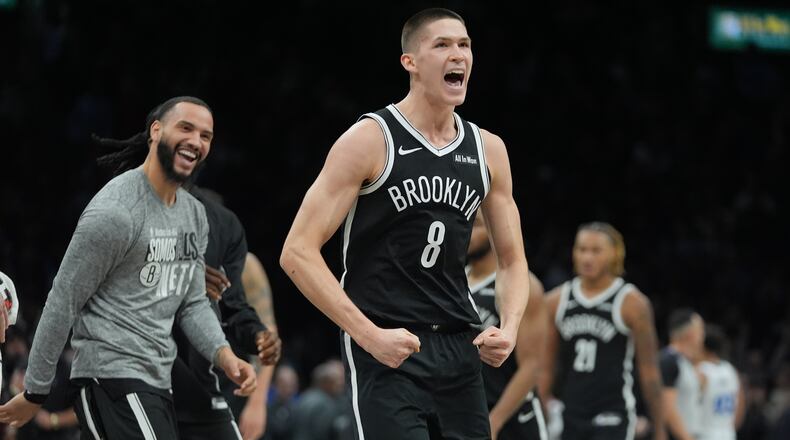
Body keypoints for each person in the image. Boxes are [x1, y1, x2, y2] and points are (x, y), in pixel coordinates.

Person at [280, 7, 530, 439]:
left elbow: (512, 262)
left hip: (459, 344)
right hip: (387, 346)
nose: (459, 55)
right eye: (442, 45)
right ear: (409, 62)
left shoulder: (488, 150)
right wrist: (367, 335)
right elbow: (297, 251)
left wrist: (509, 327)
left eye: (465, 45)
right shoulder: (370, 139)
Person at [0, 97, 257, 438]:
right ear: (155, 131)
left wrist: (224, 356)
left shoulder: (194, 215)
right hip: (109, 379)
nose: (196, 141)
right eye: (186, 128)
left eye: (206, 135)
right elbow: (63, 301)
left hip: (158, 382)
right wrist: (36, 391)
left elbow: (193, 301)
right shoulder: (116, 212)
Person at [170, 186, 281, 440]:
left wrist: (257, 404)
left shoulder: (245, 264)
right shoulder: (167, 254)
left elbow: (267, 333)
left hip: (228, 381)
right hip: (174, 375)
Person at [542, 222, 666, 440]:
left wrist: (660, 428)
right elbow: (546, 365)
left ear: (615, 254)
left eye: (596, 250)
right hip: (571, 412)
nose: (587, 257)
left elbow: (649, 370)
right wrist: (541, 404)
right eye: (581, 249)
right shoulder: (555, 300)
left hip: (613, 412)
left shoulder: (632, 303)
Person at [467, 213, 549, 440]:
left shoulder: (524, 286)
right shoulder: (453, 282)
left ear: (495, 231)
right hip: (468, 412)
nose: (466, 231)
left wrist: (495, 420)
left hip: (514, 419)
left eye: (476, 225)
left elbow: (532, 367)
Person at [659, 309, 705, 440]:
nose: (703, 335)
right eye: (700, 329)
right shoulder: (668, 361)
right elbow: (668, 408)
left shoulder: (684, 362)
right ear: (689, 333)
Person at [697, 324, 745, 440]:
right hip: (728, 434)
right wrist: (730, 429)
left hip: (705, 434)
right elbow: (741, 406)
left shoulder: (701, 371)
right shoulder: (731, 370)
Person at [291, 359, 349, 440]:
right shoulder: (324, 404)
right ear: (326, 382)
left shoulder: (304, 397)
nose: (339, 385)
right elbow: (323, 433)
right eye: (335, 382)